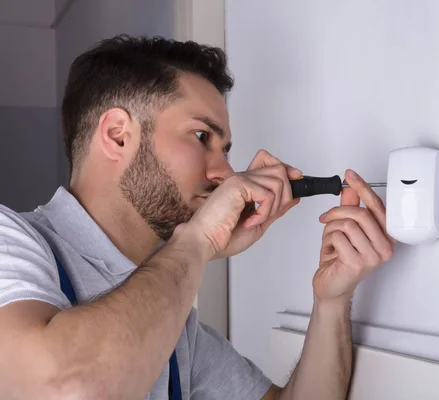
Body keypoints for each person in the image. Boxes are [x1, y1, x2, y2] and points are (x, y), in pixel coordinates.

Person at [0, 35, 395, 400]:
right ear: (118, 135)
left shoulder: (176, 329)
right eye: (203, 137)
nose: (226, 173)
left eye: (225, 150)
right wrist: (197, 241)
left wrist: (331, 300)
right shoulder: (10, 242)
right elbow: (60, 387)